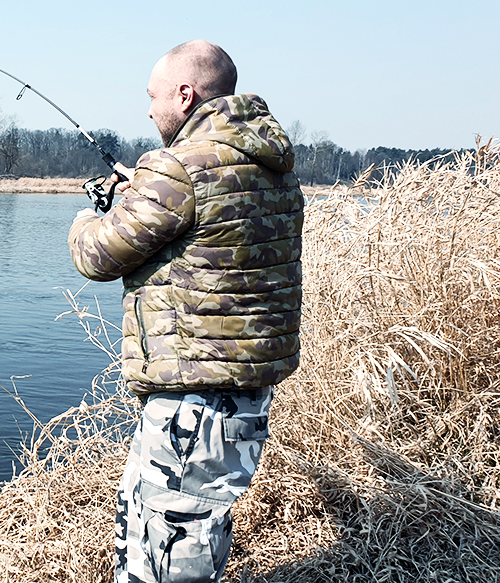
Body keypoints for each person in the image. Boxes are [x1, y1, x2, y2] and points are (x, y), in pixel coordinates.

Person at [68, 40, 303, 582]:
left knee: (176, 548)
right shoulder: (271, 165)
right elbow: (212, 235)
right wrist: (145, 192)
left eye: (152, 97)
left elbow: (96, 255)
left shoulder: (178, 168)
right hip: (238, 392)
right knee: (164, 528)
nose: (149, 111)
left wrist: (88, 214)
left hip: (192, 399)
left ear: (184, 94)